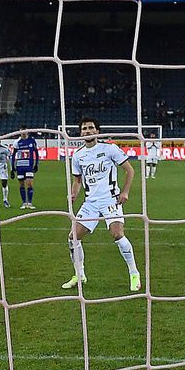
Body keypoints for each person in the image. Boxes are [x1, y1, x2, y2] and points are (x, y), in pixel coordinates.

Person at [62, 117, 141, 292]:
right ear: (80, 132)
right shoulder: (78, 155)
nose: (87, 131)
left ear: (98, 131)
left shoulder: (109, 149)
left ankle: (134, 273)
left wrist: (125, 191)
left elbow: (130, 170)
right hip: (90, 203)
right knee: (73, 237)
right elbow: (78, 180)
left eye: (91, 128)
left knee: (117, 234)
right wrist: (74, 193)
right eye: (84, 128)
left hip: (110, 200)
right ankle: (79, 275)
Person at [11, 132, 39, 209]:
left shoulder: (32, 141)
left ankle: (29, 203)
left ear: (27, 132)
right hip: (20, 166)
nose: (23, 133)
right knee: (21, 185)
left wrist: (36, 164)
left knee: (29, 184)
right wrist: (12, 167)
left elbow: (36, 153)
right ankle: (24, 203)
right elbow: (13, 155)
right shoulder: (17, 142)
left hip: (29, 166)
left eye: (24, 131)